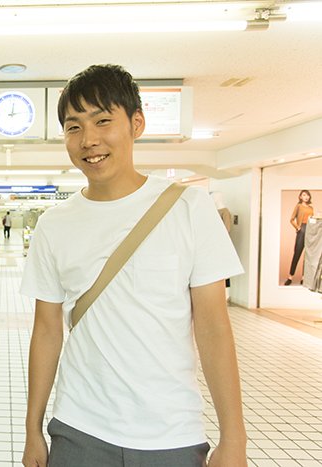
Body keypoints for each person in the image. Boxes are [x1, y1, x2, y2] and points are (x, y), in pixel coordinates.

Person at [20, 64, 247, 467]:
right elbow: (47, 330)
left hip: (171, 433)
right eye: (74, 127)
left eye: (103, 121)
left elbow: (213, 327)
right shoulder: (53, 225)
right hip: (78, 430)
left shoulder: (188, 208)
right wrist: (32, 430)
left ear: (136, 123)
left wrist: (234, 437)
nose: (89, 139)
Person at [284, 189, 314, 285]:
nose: (306, 197)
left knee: (308, 256)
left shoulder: (311, 208)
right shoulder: (299, 206)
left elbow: (312, 220)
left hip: (310, 231)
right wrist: (297, 227)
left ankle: (303, 278)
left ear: (309, 197)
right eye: (304, 195)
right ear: (300, 197)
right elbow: (291, 219)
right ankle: (290, 277)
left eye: (307, 195)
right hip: (302, 231)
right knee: (297, 254)